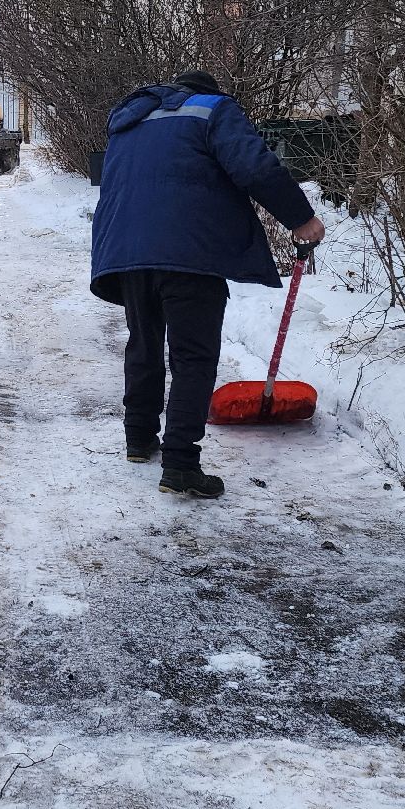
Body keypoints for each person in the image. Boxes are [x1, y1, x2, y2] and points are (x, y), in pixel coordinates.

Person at [90, 70, 326, 499]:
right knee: (194, 356)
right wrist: (301, 218)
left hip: (126, 250)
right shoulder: (213, 110)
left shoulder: (131, 119)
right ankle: (180, 463)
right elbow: (255, 166)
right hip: (189, 251)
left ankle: (139, 438)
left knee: (143, 343)